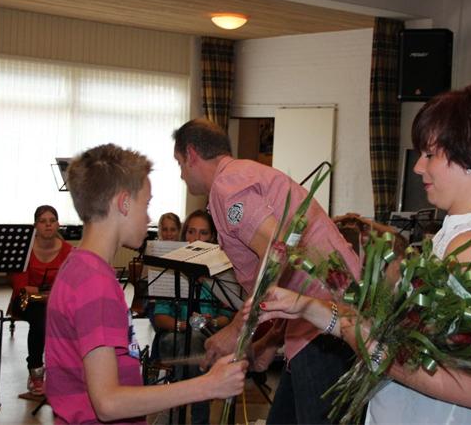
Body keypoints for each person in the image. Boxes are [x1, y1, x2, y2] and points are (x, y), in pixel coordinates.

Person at [250, 84, 471, 424]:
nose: (418, 167)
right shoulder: (460, 236)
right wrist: (305, 306)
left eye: (430, 155)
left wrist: (370, 347)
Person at [173, 118, 361, 424]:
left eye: (179, 163)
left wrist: (236, 331)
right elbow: (290, 271)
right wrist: (270, 340)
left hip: (324, 327)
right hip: (318, 323)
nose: (181, 174)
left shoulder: (227, 185)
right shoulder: (246, 174)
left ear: (191, 154)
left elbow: (277, 252)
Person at [44, 143, 246, 424]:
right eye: (146, 204)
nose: (149, 217)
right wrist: (208, 385)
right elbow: (108, 403)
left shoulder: (78, 267)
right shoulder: (95, 283)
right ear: (124, 203)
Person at [153, 209, 230, 424]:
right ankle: (199, 419)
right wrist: (183, 325)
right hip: (173, 336)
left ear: (212, 237)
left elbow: (227, 315)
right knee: (195, 345)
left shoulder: (220, 270)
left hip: (208, 335)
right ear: (184, 234)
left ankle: (177, 411)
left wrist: (212, 321)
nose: (196, 238)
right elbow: (160, 317)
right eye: (191, 232)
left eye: (203, 233)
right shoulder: (170, 267)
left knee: (197, 344)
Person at [8, 205, 72, 396]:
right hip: (26, 302)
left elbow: (70, 284)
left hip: (56, 301)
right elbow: (21, 287)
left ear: (58, 224)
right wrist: (47, 292)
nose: (48, 225)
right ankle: (35, 371)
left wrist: (41, 291)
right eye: (43, 221)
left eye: (52, 221)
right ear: (35, 225)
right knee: (41, 320)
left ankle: (68, 371)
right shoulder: (24, 249)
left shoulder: (68, 250)